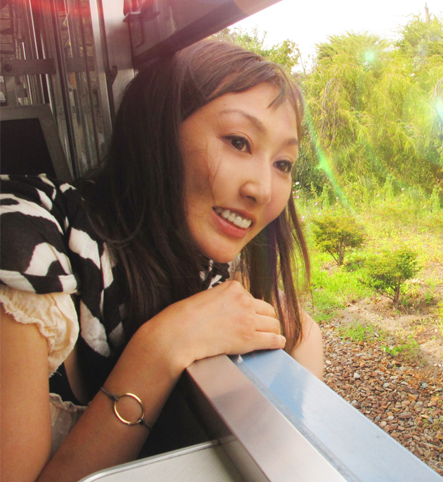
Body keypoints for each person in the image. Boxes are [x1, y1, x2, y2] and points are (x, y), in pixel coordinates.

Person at [0, 40, 323, 482]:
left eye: (283, 163)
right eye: (239, 142)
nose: (263, 190)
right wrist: (162, 348)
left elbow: (298, 327)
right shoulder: (25, 244)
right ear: (157, 131)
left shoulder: (192, 258)